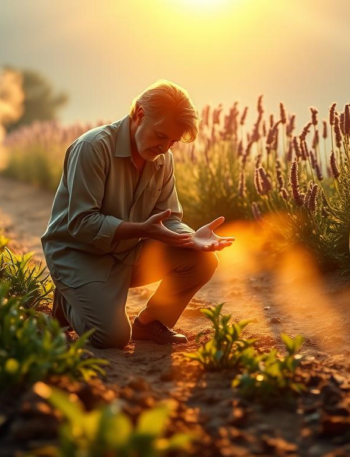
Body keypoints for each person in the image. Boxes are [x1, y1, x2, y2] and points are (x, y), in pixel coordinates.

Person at [41, 79, 234, 349]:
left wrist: (191, 239)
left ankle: (149, 324)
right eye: (160, 135)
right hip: (79, 255)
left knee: (202, 260)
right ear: (139, 114)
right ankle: (65, 303)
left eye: (173, 141)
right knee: (112, 338)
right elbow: (81, 224)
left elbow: (167, 219)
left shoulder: (163, 159)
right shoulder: (92, 147)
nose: (165, 147)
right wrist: (143, 230)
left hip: (127, 252)